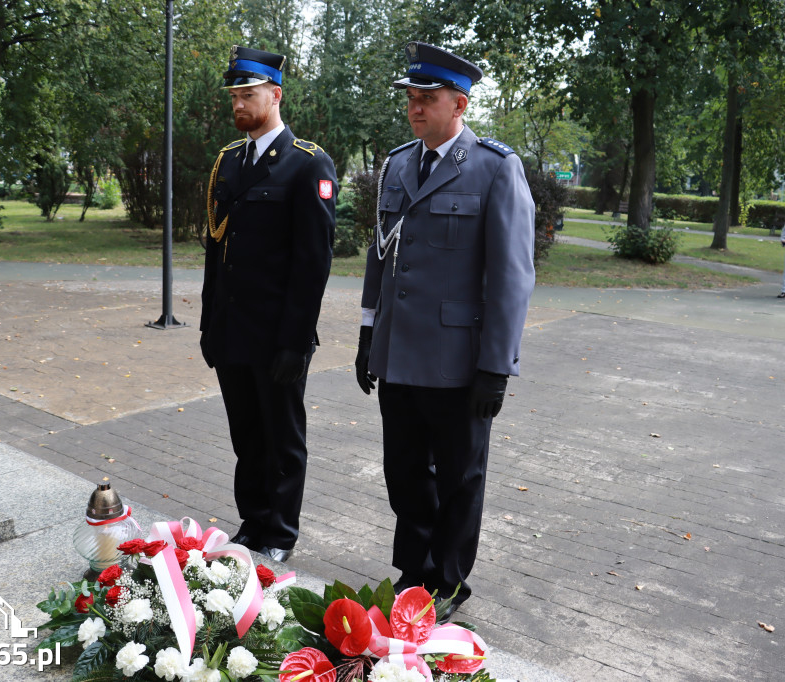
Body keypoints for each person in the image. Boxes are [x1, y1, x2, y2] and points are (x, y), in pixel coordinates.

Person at [355, 42, 535, 622]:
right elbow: (380, 260)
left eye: (426, 99)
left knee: (458, 476)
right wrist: (367, 333)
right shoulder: (398, 162)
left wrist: (496, 366)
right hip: (399, 353)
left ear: (458, 104)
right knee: (404, 471)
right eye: (411, 98)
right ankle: (414, 570)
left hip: (459, 360)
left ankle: (449, 580)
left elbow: (512, 276)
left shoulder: (494, 168)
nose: (415, 107)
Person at [200, 45, 337, 563]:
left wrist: (297, 341)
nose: (239, 103)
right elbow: (217, 251)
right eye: (234, 95)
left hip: (278, 334)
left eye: (248, 93)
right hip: (233, 331)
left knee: (281, 439)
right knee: (247, 436)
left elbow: (312, 264)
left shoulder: (306, 165)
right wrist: (210, 323)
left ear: (275, 95)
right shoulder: (229, 162)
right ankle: (252, 522)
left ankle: (278, 533)